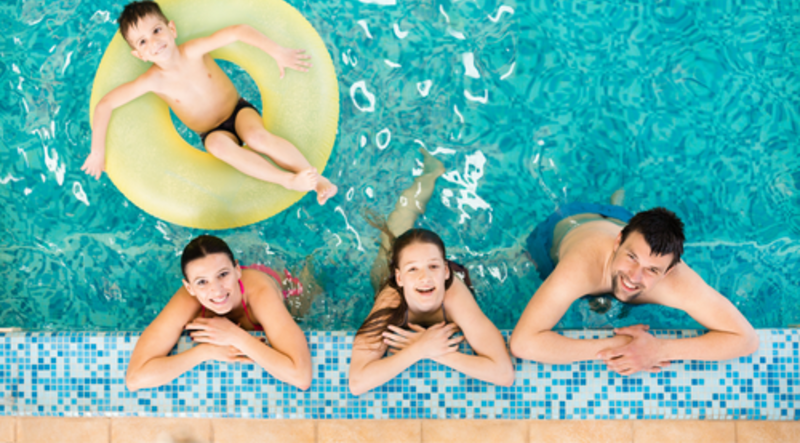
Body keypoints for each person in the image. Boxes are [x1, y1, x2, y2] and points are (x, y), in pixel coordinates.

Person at [81, 0, 337, 205]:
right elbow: (106, 104)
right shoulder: (150, 81)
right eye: (143, 41)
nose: (154, 42)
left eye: (156, 30)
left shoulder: (193, 51)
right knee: (218, 147)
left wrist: (277, 52)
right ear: (139, 55)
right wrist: (97, 151)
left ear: (171, 29)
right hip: (210, 132)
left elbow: (238, 31)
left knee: (258, 138)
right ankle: (286, 180)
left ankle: (317, 179)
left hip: (238, 110)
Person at [510, 204, 759, 375]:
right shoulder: (579, 268)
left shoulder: (676, 281)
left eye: (652, 270)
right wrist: (619, 345)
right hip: (566, 227)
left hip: (623, 220)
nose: (634, 276)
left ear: (669, 271)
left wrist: (659, 349)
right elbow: (523, 343)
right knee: (529, 265)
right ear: (618, 242)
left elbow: (745, 339)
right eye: (631, 257)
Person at [348, 151, 514, 395]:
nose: (424, 278)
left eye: (434, 267)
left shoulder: (455, 296)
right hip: (391, 281)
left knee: (411, 248)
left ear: (446, 271)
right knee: (396, 228)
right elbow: (357, 382)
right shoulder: (390, 299)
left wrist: (429, 350)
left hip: (439, 285)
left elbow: (503, 373)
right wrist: (420, 350)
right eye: (413, 269)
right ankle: (432, 173)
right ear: (400, 278)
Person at [125, 235, 312, 391]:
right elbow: (135, 378)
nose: (217, 291)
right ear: (189, 288)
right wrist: (206, 352)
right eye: (202, 282)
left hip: (287, 287)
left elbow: (301, 377)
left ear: (237, 270)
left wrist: (236, 336)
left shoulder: (261, 295)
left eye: (223, 275)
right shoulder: (187, 299)